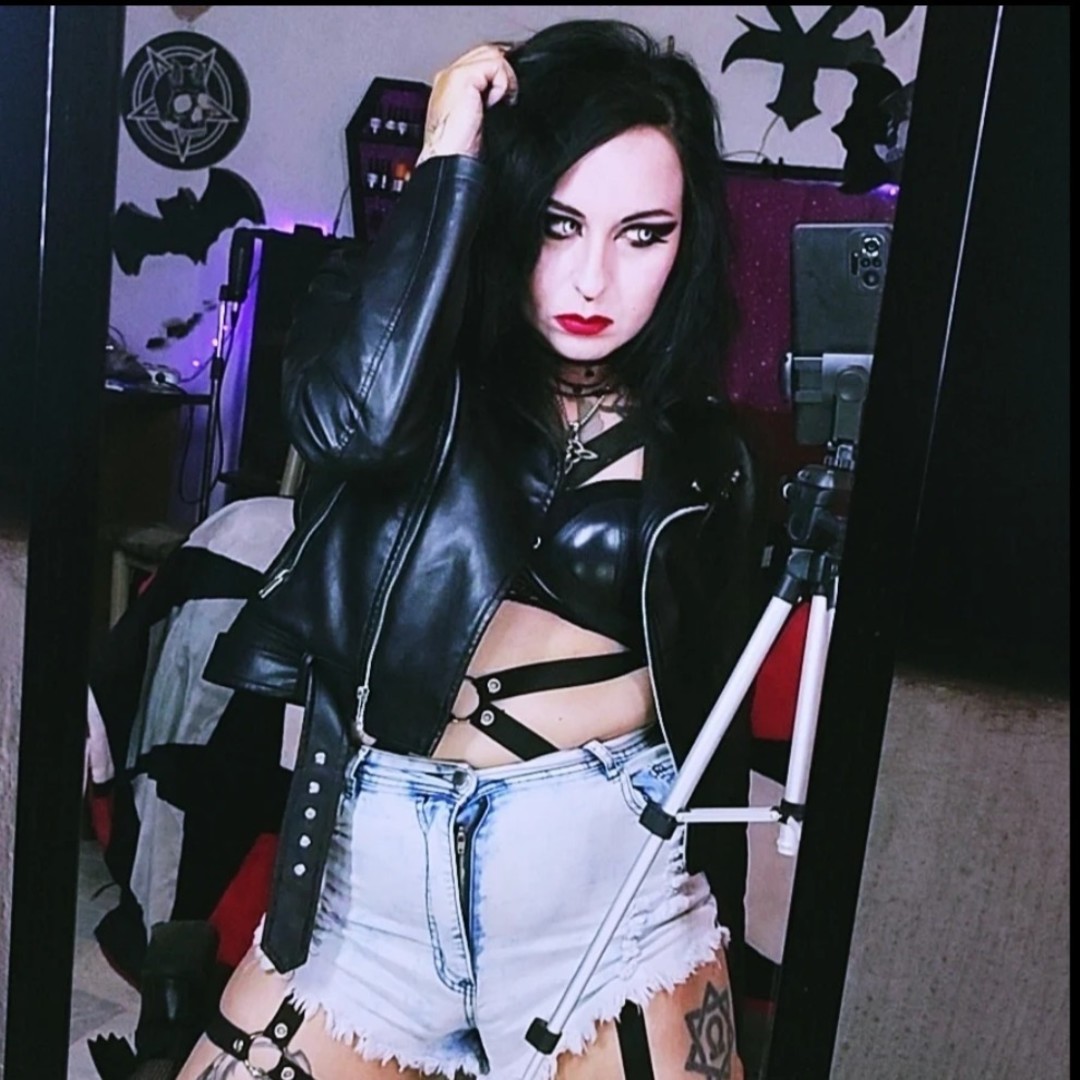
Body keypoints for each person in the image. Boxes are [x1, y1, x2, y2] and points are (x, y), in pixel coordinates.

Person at [177, 18, 765, 1080]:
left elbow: (709, 721)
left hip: (610, 908)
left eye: (642, 234)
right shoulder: (401, 368)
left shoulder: (705, 455)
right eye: (555, 223)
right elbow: (351, 425)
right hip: (368, 908)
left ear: (687, 244)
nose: (593, 280)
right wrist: (448, 155)